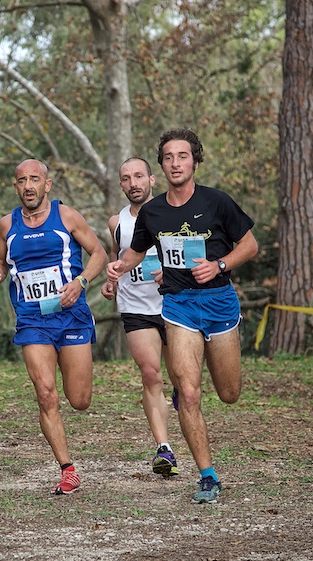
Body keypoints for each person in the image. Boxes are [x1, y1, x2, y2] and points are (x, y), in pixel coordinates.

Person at [106, 129, 258, 504]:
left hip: (219, 302)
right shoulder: (154, 211)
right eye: (169, 157)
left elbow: (250, 244)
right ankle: (207, 476)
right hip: (178, 306)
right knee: (188, 393)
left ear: (195, 161)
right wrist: (118, 268)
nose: (176, 163)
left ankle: (210, 395)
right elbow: (136, 252)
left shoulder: (217, 202)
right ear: (162, 164)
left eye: (183, 156)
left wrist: (219, 264)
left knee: (228, 393)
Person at [0, 159, 108, 495]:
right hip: (32, 318)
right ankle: (68, 470)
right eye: (22, 180)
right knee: (45, 394)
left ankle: (71, 438)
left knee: (79, 400)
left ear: (47, 185)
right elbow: (0, 260)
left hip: (71, 315)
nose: (28, 186)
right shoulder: (6, 224)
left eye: (34, 179)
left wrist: (80, 282)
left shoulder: (66, 217)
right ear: (15, 187)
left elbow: (99, 254)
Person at [101, 157, 179, 477]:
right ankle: (164, 449)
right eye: (125, 178)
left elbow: (189, 254)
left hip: (173, 305)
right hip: (136, 309)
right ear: (121, 185)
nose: (132, 183)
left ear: (152, 180)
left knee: (182, 379)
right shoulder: (115, 222)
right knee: (150, 375)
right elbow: (117, 257)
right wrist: (111, 281)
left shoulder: (171, 213)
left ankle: (179, 393)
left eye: (138, 177)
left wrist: (171, 271)